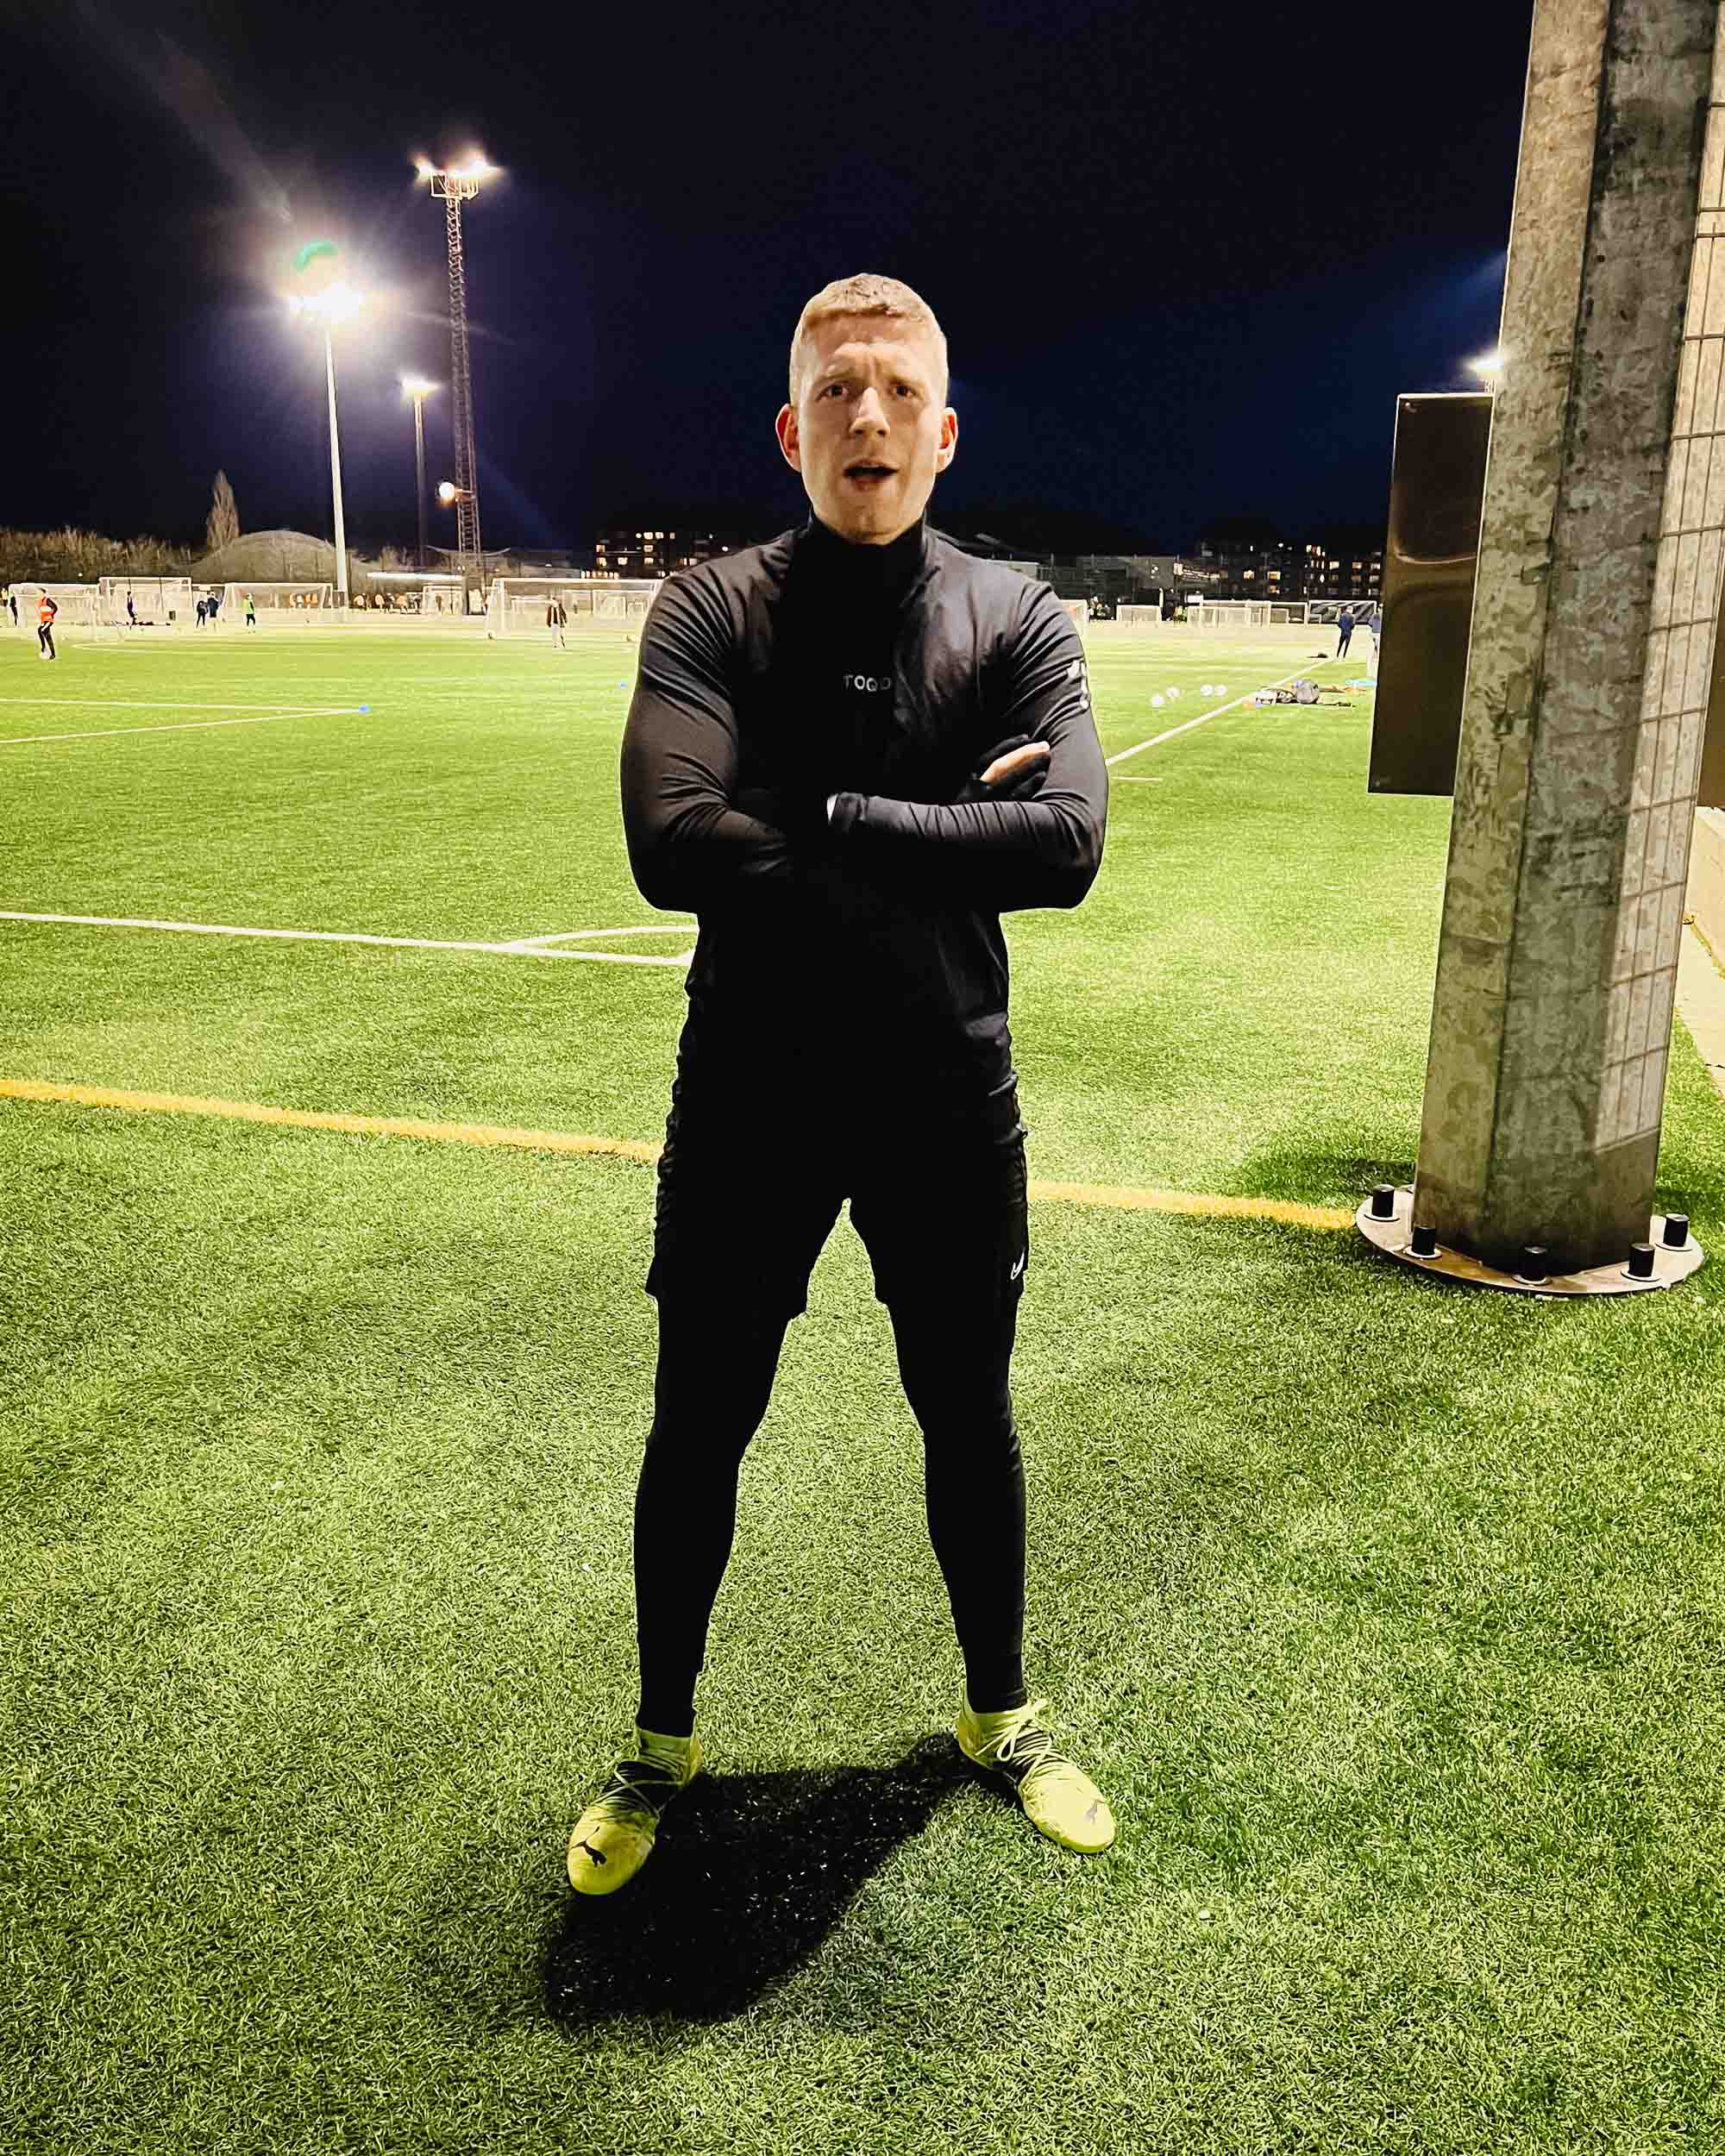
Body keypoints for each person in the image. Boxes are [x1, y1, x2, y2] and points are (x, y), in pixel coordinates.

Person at [569, 273, 1113, 1900]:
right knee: (700, 1427)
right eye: (836, 388)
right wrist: (944, 816)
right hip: (750, 1094)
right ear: (790, 427)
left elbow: (1067, 847)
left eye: (896, 391)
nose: (865, 415)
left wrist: (816, 811)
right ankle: (661, 1741)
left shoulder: (1016, 619)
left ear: (942, 434)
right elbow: (671, 842)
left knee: (968, 1417)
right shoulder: (709, 605)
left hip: (948, 1098)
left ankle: (998, 1716)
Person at [37, 590, 58, 660]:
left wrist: (50, 615)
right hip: (44, 621)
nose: (38, 594)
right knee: (47, 636)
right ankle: (53, 654)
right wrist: (42, 621)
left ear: (43, 593)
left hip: (49, 620)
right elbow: (42, 612)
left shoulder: (47, 600)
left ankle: (44, 648)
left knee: (41, 630)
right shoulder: (39, 602)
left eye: (39, 593)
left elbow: (55, 608)